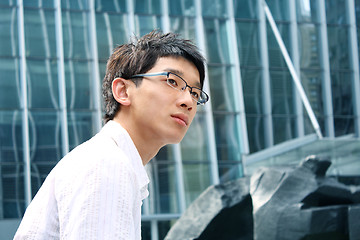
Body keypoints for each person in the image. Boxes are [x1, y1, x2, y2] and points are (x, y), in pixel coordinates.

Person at [14, 30, 208, 239]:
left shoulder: (110, 160)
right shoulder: (106, 164)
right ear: (123, 91)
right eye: (172, 81)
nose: (188, 101)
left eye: (195, 93)